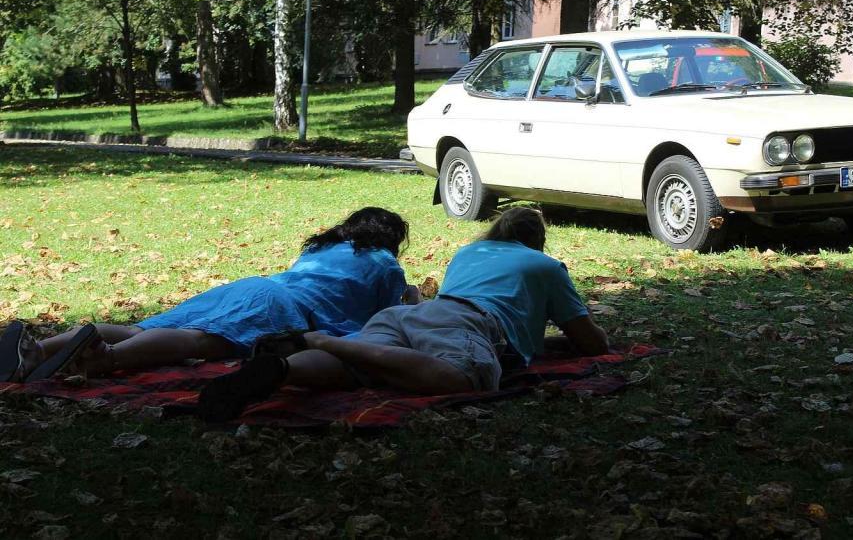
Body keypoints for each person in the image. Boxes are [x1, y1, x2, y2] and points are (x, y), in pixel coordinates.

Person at [198, 207, 609, 421]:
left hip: (412, 316)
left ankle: (284, 368)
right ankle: (321, 341)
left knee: (357, 367)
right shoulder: (545, 266)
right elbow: (590, 341)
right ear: (537, 240)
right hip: (464, 322)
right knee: (463, 377)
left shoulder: (469, 253)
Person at [0, 207, 417, 383]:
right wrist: (411, 297)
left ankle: (38, 350)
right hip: (284, 309)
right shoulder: (384, 263)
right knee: (199, 340)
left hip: (253, 286)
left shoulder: (320, 248)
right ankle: (105, 359)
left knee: (141, 327)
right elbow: (385, 322)